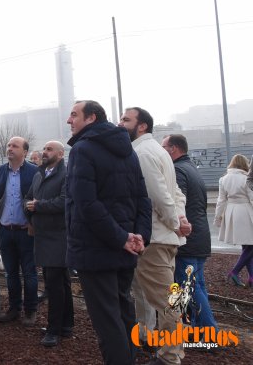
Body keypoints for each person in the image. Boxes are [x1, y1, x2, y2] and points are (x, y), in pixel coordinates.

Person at [65, 100, 151, 365]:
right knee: (123, 312)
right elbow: (142, 199)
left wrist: (124, 238)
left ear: (91, 118)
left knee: (107, 321)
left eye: (74, 115)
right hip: (124, 247)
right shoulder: (128, 150)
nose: (69, 121)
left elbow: (87, 204)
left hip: (97, 249)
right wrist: (138, 236)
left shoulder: (82, 149)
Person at [119, 108, 188, 365]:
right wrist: (179, 219)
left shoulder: (142, 153)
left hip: (155, 239)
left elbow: (157, 195)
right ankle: (159, 347)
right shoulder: (157, 151)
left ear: (142, 126)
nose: (120, 123)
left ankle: (170, 358)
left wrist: (175, 223)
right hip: (163, 237)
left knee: (166, 303)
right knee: (164, 299)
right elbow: (175, 193)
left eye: (126, 119)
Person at [162, 134, 218, 330]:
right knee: (198, 286)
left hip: (188, 238)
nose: (161, 151)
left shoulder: (177, 171)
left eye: (164, 147)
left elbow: (177, 205)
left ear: (173, 149)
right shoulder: (192, 168)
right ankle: (198, 328)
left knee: (189, 287)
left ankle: (208, 331)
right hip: (201, 236)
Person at [25, 141, 73, 347]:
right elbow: (27, 197)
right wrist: (29, 210)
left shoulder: (66, 175)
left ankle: (54, 330)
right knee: (60, 282)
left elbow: (64, 202)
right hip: (43, 235)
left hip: (59, 236)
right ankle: (66, 325)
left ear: (61, 154)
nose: (45, 152)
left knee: (55, 284)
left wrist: (38, 206)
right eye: (44, 149)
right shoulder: (39, 174)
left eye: (50, 149)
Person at [0, 137, 39, 326]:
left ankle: (30, 310)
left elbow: (39, 199)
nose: (10, 149)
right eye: (9, 146)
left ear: (25, 152)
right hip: (5, 230)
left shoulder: (34, 172)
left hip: (26, 231)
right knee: (10, 273)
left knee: (29, 273)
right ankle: (14, 308)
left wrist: (34, 224)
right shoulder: (0, 171)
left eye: (15, 146)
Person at [214, 154, 253, 287]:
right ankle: (234, 272)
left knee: (246, 245)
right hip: (246, 212)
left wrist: (218, 217)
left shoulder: (223, 179)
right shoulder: (246, 178)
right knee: (250, 245)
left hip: (232, 212)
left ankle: (251, 278)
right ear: (245, 165)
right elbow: (252, 198)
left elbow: (221, 200)